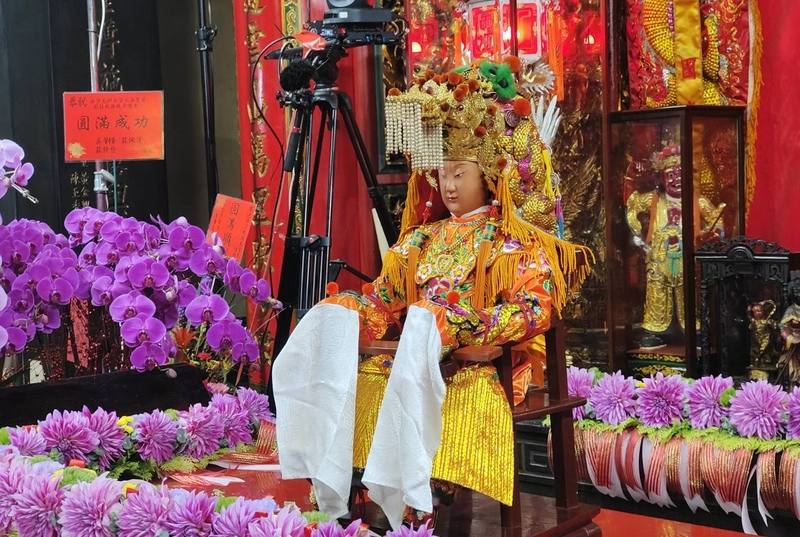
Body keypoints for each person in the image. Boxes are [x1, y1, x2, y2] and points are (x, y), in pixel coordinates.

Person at [273, 57, 592, 530]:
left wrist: (464, 323)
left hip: (482, 363)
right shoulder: (423, 238)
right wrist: (352, 313)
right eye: (442, 172)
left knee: (437, 358)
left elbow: (535, 308)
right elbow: (385, 296)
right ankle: (353, 497)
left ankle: (416, 498)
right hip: (416, 354)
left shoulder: (513, 241)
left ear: (488, 176)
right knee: (338, 329)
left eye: (459, 172)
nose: (447, 183)